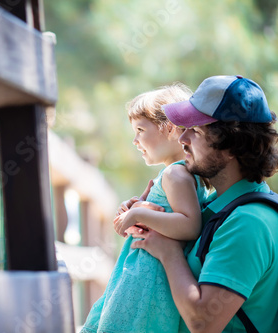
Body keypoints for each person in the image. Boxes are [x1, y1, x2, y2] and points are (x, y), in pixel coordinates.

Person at [130, 75, 278, 332]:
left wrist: (168, 251)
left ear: (232, 146)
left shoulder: (248, 222)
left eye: (195, 131)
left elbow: (203, 322)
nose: (182, 138)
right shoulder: (216, 207)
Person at [80, 83, 211, 333]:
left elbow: (189, 225)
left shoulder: (175, 173)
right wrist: (137, 208)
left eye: (141, 130)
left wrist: (139, 214)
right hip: (150, 271)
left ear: (170, 128)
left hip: (149, 277)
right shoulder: (177, 173)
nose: (135, 140)